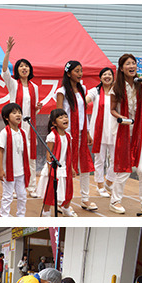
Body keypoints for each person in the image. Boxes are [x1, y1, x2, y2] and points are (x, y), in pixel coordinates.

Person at [110, 54, 142, 214]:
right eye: (128, 63)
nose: (132, 66)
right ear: (121, 68)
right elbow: (112, 109)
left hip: (138, 134)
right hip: (122, 133)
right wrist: (120, 117)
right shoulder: (116, 87)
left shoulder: (141, 85)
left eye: (133, 63)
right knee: (124, 170)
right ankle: (115, 201)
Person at [1, 36, 42, 197]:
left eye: (26, 66)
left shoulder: (35, 87)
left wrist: (37, 108)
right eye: (21, 66)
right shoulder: (12, 84)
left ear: (30, 70)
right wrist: (8, 52)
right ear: (17, 70)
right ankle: (14, 188)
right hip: (14, 128)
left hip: (29, 128)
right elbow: (4, 71)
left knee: (30, 158)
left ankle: (31, 187)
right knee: (14, 156)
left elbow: (33, 111)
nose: (24, 68)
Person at [56, 61, 97, 211]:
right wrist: (60, 135)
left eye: (81, 71)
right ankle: (62, 200)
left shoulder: (83, 89)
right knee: (66, 167)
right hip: (67, 135)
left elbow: (83, 112)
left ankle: (85, 199)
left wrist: (86, 132)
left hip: (81, 132)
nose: (80, 74)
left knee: (85, 165)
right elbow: (58, 115)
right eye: (77, 71)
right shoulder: (62, 92)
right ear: (68, 74)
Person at [86, 67, 117, 197]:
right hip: (99, 130)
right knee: (100, 159)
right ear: (100, 77)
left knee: (116, 159)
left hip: (115, 130)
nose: (107, 76)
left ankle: (109, 182)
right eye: (104, 74)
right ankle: (99, 185)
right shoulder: (95, 91)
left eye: (109, 74)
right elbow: (85, 100)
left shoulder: (117, 92)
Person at [40, 108, 76, 217]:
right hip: (54, 167)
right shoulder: (52, 136)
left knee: (68, 189)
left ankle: (66, 208)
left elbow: (68, 153)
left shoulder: (68, 136)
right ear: (54, 123)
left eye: (65, 117)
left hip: (65, 167)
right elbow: (48, 154)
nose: (65, 119)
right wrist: (50, 167)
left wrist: (72, 168)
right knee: (51, 191)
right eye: (61, 118)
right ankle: (46, 211)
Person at [0, 102, 30, 218]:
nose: (18, 115)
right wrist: (1, 170)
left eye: (20, 113)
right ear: (6, 117)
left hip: (21, 171)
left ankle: (21, 215)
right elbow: (0, 151)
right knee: (7, 196)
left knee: (22, 195)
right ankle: (4, 216)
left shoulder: (23, 133)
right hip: (9, 171)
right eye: (14, 113)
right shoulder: (4, 133)